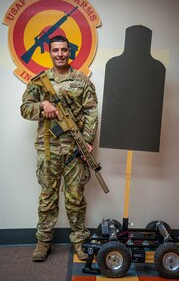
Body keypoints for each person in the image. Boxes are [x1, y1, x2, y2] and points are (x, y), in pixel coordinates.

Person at [20, 35, 98, 261]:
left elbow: (91, 112)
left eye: (64, 50)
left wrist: (87, 141)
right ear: (50, 52)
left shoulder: (82, 81)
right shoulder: (39, 81)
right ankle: (43, 242)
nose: (60, 54)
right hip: (48, 149)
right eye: (56, 50)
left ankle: (79, 242)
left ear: (69, 52)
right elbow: (24, 109)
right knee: (48, 197)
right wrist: (42, 105)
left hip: (75, 150)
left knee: (75, 198)